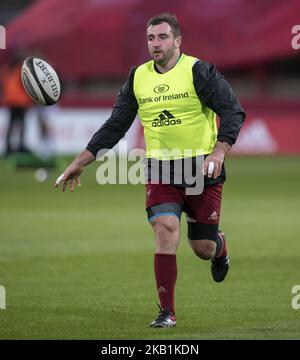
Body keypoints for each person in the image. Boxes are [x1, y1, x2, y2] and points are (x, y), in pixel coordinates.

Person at [55, 13, 245, 328]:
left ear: (178, 41)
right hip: (161, 169)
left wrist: (220, 150)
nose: (155, 44)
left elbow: (232, 110)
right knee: (165, 229)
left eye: (162, 37)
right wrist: (81, 160)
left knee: (202, 248)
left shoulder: (200, 72)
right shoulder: (138, 77)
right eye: (151, 38)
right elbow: (116, 125)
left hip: (202, 168)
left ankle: (220, 247)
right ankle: (166, 312)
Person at [1, 52, 32, 155]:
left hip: (11, 101)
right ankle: (20, 146)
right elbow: (26, 85)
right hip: (21, 101)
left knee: (12, 124)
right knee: (21, 124)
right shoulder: (20, 70)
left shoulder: (7, 70)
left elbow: (4, 86)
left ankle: (9, 147)